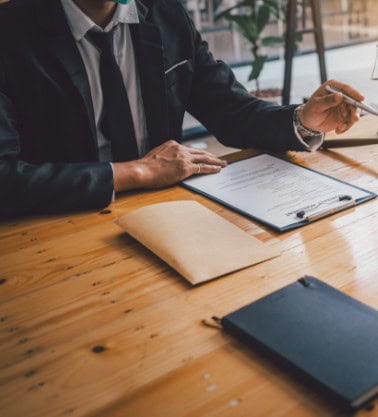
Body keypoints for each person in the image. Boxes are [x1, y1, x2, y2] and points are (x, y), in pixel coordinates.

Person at [0, 0, 363, 219]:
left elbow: (230, 110)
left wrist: (302, 119)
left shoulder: (165, 13)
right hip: (61, 222)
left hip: (168, 214)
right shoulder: (10, 33)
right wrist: (136, 172)